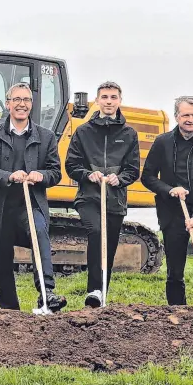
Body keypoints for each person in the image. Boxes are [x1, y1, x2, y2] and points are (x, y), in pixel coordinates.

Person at [0, 83, 67, 312]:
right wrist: (9, 176)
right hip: (1, 206)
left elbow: (56, 172)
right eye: (16, 99)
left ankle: (47, 293)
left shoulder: (46, 137)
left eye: (26, 100)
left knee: (39, 233)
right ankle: (9, 310)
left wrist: (41, 175)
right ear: (7, 104)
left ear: (31, 105)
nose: (21, 104)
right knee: (3, 256)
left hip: (31, 203)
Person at [141, 95, 193, 306]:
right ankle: (177, 310)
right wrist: (169, 190)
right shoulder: (162, 142)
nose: (190, 119)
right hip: (173, 212)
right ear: (177, 116)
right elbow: (148, 177)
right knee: (175, 267)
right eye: (185, 115)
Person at [64, 81, 140, 308]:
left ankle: (101, 295)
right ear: (97, 101)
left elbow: (133, 169)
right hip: (89, 197)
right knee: (96, 232)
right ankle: (93, 290)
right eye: (104, 97)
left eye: (113, 97)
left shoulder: (129, 134)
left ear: (120, 100)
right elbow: (71, 165)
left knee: (110, 246)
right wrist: (88, 174)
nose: (109, 101)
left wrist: (121, 179)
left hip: (115, 199)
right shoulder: (83, 132)